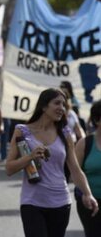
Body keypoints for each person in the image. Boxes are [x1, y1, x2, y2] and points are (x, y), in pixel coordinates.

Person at [5, 88, 98, 237]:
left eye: (63, 104)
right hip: (32, 202)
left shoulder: (65, 133)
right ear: (43, 106)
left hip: (60, 202)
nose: (61, 108)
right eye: (57, 103)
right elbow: (9, 168)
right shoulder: (22, 131)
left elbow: (75, 168)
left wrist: (88, 194)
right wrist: (30, 157)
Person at [74, 100, 101, 237]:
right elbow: (76, 172)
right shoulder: (85, 143)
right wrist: (85, 193)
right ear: (97, 120)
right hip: (90, 202)